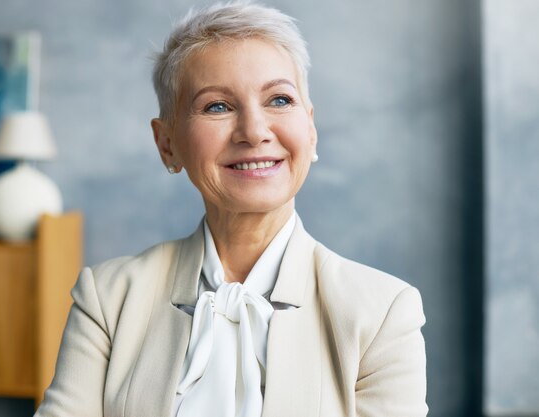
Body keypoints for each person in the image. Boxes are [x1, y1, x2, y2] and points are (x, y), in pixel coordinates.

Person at [34, 2, 428, 417]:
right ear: (167, 143)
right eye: (217, 106)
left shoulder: (382, 312)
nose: (255, 132)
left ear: (310, 130)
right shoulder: (108, 299)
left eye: (279, 99)